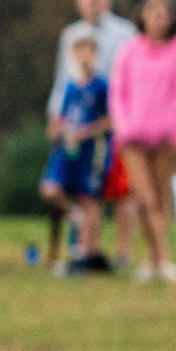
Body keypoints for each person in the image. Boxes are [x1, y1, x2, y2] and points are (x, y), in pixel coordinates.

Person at [44, 0, 139, 267]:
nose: (94, 4)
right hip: (76, 122)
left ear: (108, 1)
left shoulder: (125, 33)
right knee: (79, 188)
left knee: (120, 190)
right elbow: (63, 78)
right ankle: (84, 249)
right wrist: (55, 118)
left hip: (113, 120)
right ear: (79, 3)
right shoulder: (71, 34)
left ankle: (123, 252)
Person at [109, 0, 176, 286]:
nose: (158, 19)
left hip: (166, 138)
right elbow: (118, 92)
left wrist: (165, 127)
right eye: (152, 13)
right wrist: (124, 126)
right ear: (142, 16)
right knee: (144, 198)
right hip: (133, 137)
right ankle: (154, 257)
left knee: (161, 197)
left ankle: (163, 259)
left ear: (172, 19)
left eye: (163, 14)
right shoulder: (129, 50)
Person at [39, 29, 112, 274]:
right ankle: (74, 217)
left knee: (90, 199)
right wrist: (58, 128)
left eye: (88, 52)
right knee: (50, 189)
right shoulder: (69, 85)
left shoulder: (102, 85)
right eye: (79, 51)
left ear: (95, 55)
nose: (84, 57)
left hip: (90, 152)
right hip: (66, 149)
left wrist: (86, 132)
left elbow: (109, 121)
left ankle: (86, 253)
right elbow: (62, 115)